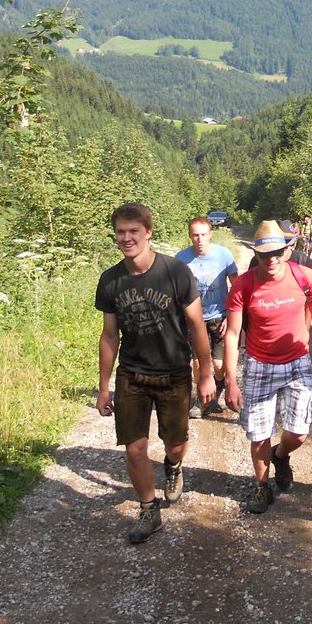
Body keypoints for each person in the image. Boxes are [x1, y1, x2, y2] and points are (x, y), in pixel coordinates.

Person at [95, 202, 216, 543]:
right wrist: (103, 387)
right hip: (132, 375)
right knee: (134, 449)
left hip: (174, 373)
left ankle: (173, 466)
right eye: (121, 232)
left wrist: (205, 374)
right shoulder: (110, 280)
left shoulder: (175, 271)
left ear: (148, 232)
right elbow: (109, 336)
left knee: (175, 444)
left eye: (134, 231)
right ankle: (149, 510)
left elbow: (197, 326)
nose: (127, 238)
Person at [224, 220, 312, 514]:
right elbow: (233, 334)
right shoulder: (244, 285)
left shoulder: (303, 276)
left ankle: (281, 455)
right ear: (256, 254)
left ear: (286, 251)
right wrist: (231, 382)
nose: (271, 259)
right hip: (259, 365)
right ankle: (262, 487)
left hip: (297, 362)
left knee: (299, 432)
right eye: (264, 254)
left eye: (277, 253)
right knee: (259, 433)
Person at [176, 216, 238, 418]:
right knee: (197, 362)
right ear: (189, 236)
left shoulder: (224, 255)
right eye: (195, 235)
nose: (199, 239)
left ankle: (217, 391)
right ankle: (201, 400)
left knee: (219, 365)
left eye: (203, 234)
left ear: (211, 234)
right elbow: (175, 291)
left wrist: (231, 314)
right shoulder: (181, 259)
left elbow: (236, 286)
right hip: (194, 320)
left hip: (219, 317)